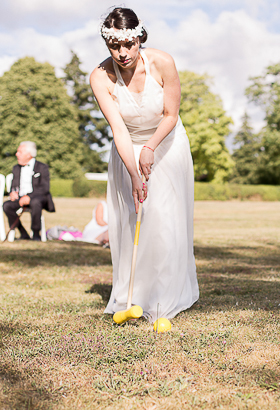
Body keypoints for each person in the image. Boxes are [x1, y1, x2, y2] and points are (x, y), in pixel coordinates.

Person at [90, 7, 198, 322]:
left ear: (139, 38)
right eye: (114, 46)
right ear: (107, 44)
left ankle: (165, 299)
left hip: (167, 144)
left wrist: (150, 147)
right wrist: (135, 173)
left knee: (163, 218)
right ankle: (133, 296)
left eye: (129, 44)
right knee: (131, 218)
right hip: (127, 150)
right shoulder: (100, 76)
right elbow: (119, 130)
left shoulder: (163, 62)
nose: (122, 53)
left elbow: (170, 115)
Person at [3, 141, 55, 241]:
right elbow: (14, 185)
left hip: (38, 198)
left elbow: (44, 188)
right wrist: (12, 192)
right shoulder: (16, 168)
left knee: (35, 202)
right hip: (20, 198)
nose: (16, 154)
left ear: (29, 154)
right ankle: (23, 233)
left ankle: (36, 234)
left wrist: (29, 197)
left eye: (19, 152)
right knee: (6, 205)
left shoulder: (42, 167)